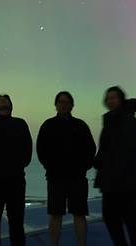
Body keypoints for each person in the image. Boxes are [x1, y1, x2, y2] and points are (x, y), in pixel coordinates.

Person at [94, 86, 136, 246]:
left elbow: (128, 150)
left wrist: (112, 170)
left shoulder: (127, 119)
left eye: (114, 97)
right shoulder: (110, 121)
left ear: (121, 100)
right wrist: (96, 161)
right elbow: (106, 150)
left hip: (126, 181)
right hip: (113, 180)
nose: (110, 100)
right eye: (108, 98)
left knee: (128, 218)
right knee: (112, 217)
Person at [36, 91, 96, 246]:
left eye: (67, 102)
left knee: (80, 214)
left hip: (78, 178)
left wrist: (83, 168)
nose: (64, 104)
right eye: (61, 102)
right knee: (56, 215)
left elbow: (91, 149)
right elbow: (41, 150)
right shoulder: (48, 125)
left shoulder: (81, 125)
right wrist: (50, 167)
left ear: (72, 105)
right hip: (56, 178)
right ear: (56, 105)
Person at [0, 94, 33, 246]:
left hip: (16, 180)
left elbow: (27, 150)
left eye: (6, 101)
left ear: (11, 106)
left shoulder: (20, 124)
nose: (3, 103)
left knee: (17, 222)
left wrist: (17, 165)